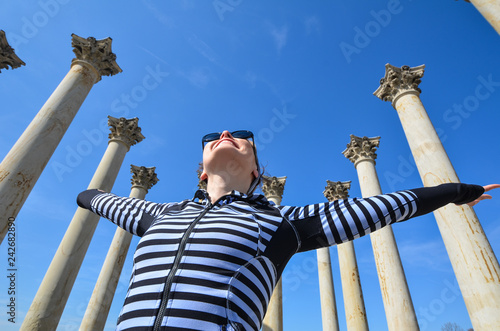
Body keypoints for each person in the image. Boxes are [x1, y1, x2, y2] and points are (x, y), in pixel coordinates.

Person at [77, 130, 498, 331]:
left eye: (242, 138)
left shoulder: (283, 222)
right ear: (201, 171)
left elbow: (381, 208)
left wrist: (457, 192)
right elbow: (96, 198)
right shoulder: (160, 214)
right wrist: (85, 193)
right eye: (213, 138)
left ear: (257, 171)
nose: (226, 136)